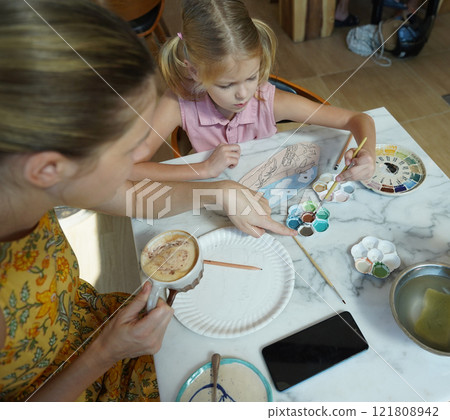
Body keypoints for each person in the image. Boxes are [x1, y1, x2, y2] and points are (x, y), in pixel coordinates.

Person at [0, 0, 295, 402]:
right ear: (49, 168)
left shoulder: (22, 184)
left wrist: (217, 191)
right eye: (127, 147)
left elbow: (133, 198)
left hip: (88, 328)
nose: (142, 155)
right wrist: (105, 353)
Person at [131, 0, 376, 185]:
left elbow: (358, 119)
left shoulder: (268, 101)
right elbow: (127, 167)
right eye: (226, 85)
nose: (244, 94)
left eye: (252, 77)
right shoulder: (177, 103)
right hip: (214, 198)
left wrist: (369, 154)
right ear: (194, 72)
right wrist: (203, 169)